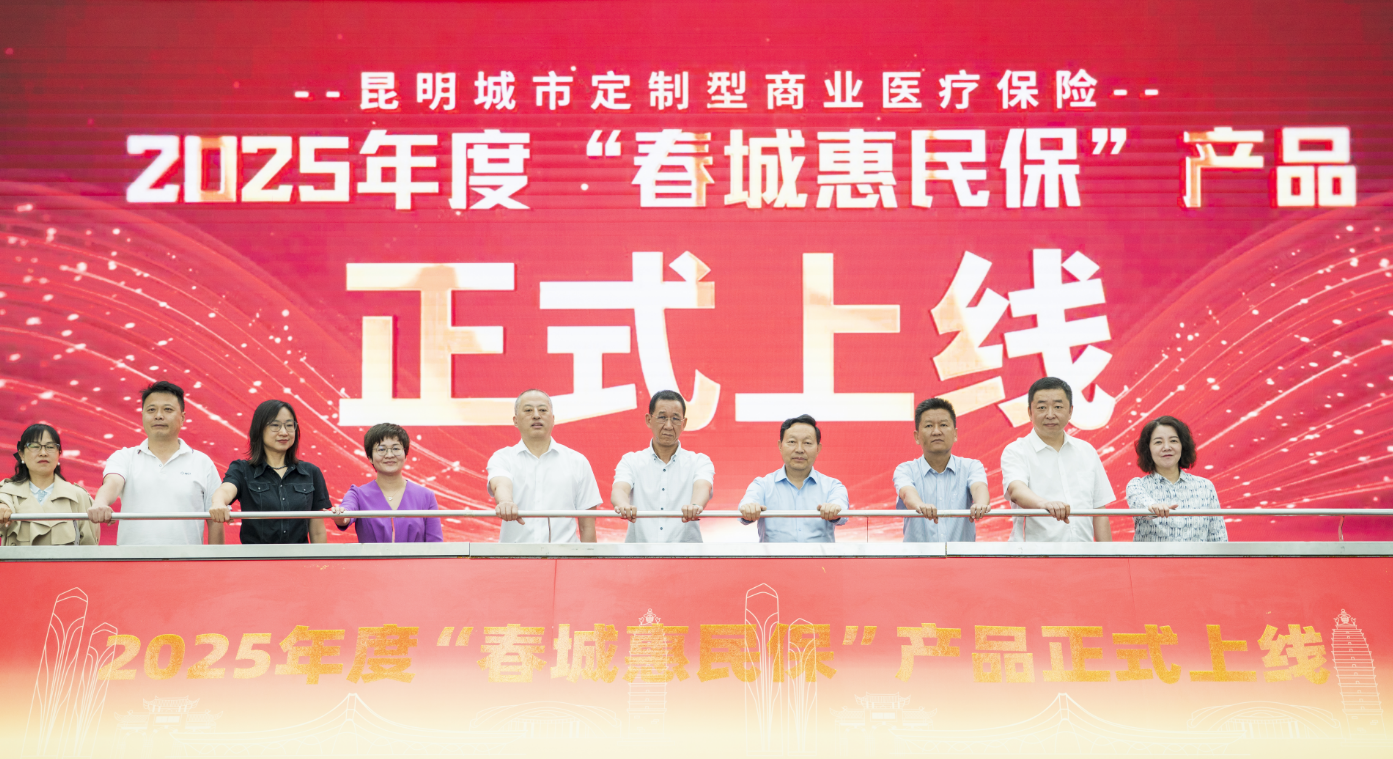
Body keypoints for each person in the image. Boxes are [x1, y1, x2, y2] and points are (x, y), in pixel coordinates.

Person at [88, 381, 224, 545]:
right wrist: (100, 503)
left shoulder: (202, 463)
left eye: (168, 409)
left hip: (187, 559)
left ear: (182, 417)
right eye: (151, 410)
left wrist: (215, 559)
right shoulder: (124, 457)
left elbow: (215, 519)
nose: (158, 416)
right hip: (133, 559)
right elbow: (112, 483)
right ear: (143, 416)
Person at [1000, 377, 1116, 542]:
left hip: (1083, 552)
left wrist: (1107, 554)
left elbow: (1099, 509)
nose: (1050, 414)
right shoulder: (1017, 451)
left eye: (1058, 407)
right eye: (1042, 407)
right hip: (1035, 553)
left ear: (1070, 412)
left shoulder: (1086, 451)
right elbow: (1016, 491)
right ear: (1030, 412)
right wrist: (1044, 504)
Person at [207, 399, 331, 544]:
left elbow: (317, 531)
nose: (284, 432)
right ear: (259, 430)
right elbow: (226, 490)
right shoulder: (242, 469)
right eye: (275, 426)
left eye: (289, 425)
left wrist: (321, 558)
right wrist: (218, 503)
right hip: (256, 557)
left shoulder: (311, 472)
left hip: (299, 556)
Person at [487, 390, 602, 543]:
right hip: (515, 555)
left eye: (542, 410)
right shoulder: (503, 457)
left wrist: (588, 558)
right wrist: (505, 502)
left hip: (564, 555)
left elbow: (587, 527)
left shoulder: (577, 462)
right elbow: (500, 483)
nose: (536, 415)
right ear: (515, 420)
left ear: (553, 419)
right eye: (528, 410)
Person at [612, 390, 714, 543]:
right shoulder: (631, 461)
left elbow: (703, 487)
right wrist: (623, 505)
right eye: (662, 417)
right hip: (640, 554)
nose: (668, 426)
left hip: (686, 554)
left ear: (684, 423)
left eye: (675, 419)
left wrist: (695, 506)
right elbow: (619, 489)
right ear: (649, 420)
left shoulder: (699, 461)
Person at [739, 414, 848, 542]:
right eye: (792, 442)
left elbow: (842, 511)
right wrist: (749, 509)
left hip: (819, 556)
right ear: (780, 446)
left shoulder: (832, 486)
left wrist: (834, 510)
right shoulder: (762, 485)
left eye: (807, 443)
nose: (799, 449)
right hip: (774, 555)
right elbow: (746, 505)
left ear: (818, 449)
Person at [894, 398, 990, 542]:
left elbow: (979, 487)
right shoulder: (905, 469)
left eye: (943, 425)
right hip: (918, 555)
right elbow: (907, 493)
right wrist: (920, 506)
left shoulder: (971, 466)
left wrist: (981, 504)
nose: (936, 431)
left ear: (955, 434)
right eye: (929, 426)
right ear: (917, 436)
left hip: (960, 555)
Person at [330, 423, 443, 543]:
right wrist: (341, 516)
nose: (389, 455)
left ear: (405, 455)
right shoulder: (357, 494)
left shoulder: (426, 496)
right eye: (381, 449)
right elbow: (347, 511)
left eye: (396, 449)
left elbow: (436, 545)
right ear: (370, 457)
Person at [1126, 416, 1228, 542]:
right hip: (1153, 556)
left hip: (1197, 556)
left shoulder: (1205, 486)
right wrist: (1153, 507)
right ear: (1148, 449)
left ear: (1182, 446)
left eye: (1173, 441)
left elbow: (1218, 538)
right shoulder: (1137, 485)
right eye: (1158, 442)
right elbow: (1140, 504)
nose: (1167, 447)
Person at [0, 424, 97, 545]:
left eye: (50, 447)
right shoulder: (7, 492)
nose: (43, 453)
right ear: (21, 454)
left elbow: (89, 548)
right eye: (35, 446)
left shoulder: (78, 496)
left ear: (59, 453)